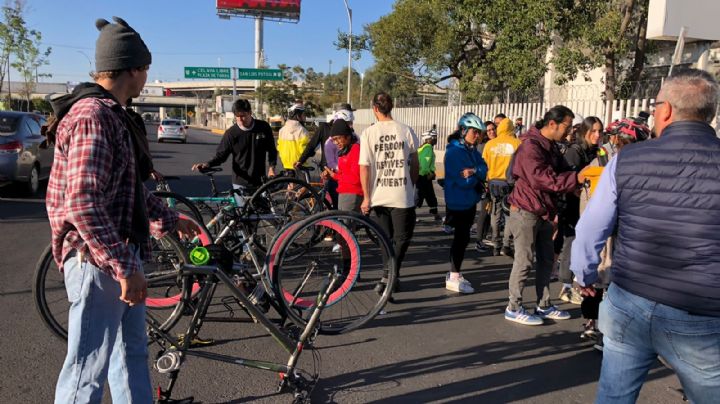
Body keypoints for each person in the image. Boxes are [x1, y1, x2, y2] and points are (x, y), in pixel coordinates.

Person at [46, 17, 197, 403]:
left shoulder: (112, 114)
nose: (147, 76)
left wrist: (167, 217)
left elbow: (124, 188)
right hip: (97, 261)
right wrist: (123, 266)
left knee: (129, 355)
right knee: (87, 370)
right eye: (146, 68)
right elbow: (83, 202)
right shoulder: (93, 116)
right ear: (133, 68)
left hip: (117, 254)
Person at [571, 68, 720, 403]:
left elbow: (591, 228)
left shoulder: (626, 160)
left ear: (666, 110)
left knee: (613, 396)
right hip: (701, 312)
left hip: (630, 301)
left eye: (655, 106)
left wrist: (585, 275)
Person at [504, 105, 583, 326]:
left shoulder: (550, 146)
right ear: (552, 124)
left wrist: (574, 178)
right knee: (524, 260)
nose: (568, 132)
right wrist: (574, 180)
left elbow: (561, 170)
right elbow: (542, 178)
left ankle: (544, 303)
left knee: (547, 260)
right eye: (566, 127)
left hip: (545, 211)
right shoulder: (531, 146)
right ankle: (514, 306)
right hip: (526, 210)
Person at [359, 91, 419, 297]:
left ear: (374, 108)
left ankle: (388, 275)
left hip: (378, 194)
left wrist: (366, 197)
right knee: (402, 238)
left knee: (387, 239)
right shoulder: (406, 131)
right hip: (401, 194)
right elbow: (415, 164)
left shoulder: (368, 133)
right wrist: (411, 185)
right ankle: (391, 275)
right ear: (391, 107)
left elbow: (364, 167)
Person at [192, 98, 277, 205]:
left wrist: (271, 168)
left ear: (250, 113)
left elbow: (272, 150)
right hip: (240, 182)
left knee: (262, 212)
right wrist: (207, 164)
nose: (240, 119)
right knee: (243, 214)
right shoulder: (231, 133)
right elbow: (221, 156)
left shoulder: (263, 127)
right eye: (237, 116)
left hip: (260, 180)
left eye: (243, 115)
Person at [555, 116, 603, 306]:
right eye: (593, 131)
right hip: (572, 205)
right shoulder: (575, 152)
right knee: (571, 243)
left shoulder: (597, 151)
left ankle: (579, 284)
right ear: (584, 133)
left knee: (582, 246)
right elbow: (565, 179)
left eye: (600, 131)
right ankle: (566, 286)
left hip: (589, 206)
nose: (597, 135)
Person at [443, 113, 488, 293]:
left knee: (463, 239)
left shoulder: (471, 151)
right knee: (460, 240)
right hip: (458, 201)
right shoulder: (454, 152)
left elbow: (484, 169)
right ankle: (453, 276)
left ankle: (455, 273)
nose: (477, 136)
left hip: (468, 201)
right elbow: (464, 182)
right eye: (474, 132)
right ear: (463, 130)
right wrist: (477, 175)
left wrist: (475, 171)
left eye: (479, 133)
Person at [482, 117, 521, 256]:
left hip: (493, 183)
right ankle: (506, 244)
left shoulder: (490, 144)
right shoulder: (517, 143)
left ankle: (496, 244)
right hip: (510, 184)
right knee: (509, 213)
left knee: (495, 213)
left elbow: (484, 164)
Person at [325, 119, 363, 212]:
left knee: (346, 225)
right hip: (343, 192)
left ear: (348, 136)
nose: (336, 142)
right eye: (334, 140)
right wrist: (331, 174)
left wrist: (335, 176)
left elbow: (355, 178)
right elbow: (343, 172)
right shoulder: (344, 151)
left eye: (338, 138)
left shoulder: (355, 150)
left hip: (352, 193)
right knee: (342, 225)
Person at [415, 127, 441, 221]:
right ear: (428, 139)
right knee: (418, 197)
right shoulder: (428, 148)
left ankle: (436, 214)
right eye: (434, 137)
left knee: (430, 196)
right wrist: (429, 173)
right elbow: (425, 163)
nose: (436, 139)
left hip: (422, 176)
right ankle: (409, 215)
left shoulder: (422, 147)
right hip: (424, 176)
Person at [277, 102, 309, 172]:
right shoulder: (303, 131)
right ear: (297, 115)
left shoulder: (281, 130)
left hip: (286, 164)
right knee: (304, 183)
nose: (305, 117)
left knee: (290, 182)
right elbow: (304, 150)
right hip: (299, 164)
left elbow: (279, 148)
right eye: (303, 114)